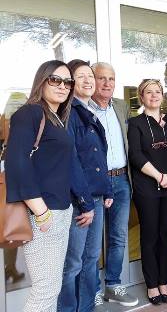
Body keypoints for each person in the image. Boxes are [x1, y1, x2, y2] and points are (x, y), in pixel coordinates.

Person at [5, 60, 75, 311]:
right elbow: (16, 163)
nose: (62, 86)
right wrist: (40, 210)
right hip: (43, 213)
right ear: (42, 80)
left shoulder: (54, 117)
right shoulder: (30, 113)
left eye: (68, 82)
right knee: (46, 289)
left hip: (59, 211)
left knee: (51, 287)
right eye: (55, 80)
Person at [57, 59, 113, 312]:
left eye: (91, 76)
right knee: (73, 264)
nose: (89, 80)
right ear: (70, 83)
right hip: (80, 201)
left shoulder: (89, 111)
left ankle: (87, 307)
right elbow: (72, 164)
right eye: (81, 76)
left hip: (95, 198)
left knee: (91, 259)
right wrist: (86, 204)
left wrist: (107, 190)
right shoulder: (68, 114)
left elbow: (98, 157)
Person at [127, 79, 167, 305]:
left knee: (165, 234)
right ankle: (152, 284)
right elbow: (136, 155)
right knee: (150, 235)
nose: (153, 95)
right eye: (148, 92)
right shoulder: (136, 123)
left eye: (157, 92)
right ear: (141, 97)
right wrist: (159, 177)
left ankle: (163, 281)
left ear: (163, 96)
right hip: (147, 187)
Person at [90, 62, 138, 307]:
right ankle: (91, 289)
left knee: (118, 236)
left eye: (111, 79)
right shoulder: (82, 108)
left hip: (121, 179)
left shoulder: (121, 106)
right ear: (91, 80)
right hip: (96, 181)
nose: (107, 83)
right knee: (94, 238)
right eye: (101, 78)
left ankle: (113, 284)